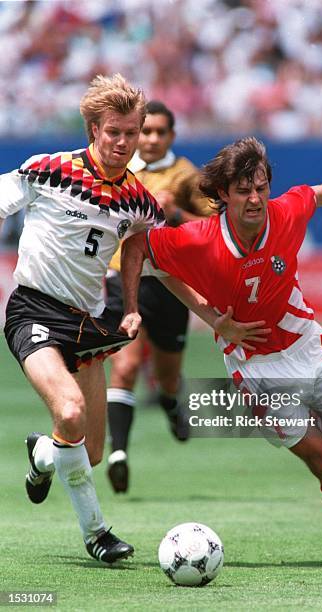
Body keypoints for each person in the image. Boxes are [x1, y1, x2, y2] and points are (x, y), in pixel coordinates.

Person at [120, 137, 322, 565]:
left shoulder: (285, 212)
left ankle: (313, 416)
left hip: (308, 348)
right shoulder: (199, 239)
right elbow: (136, 248)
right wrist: (200, 314)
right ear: (223, 194)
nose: (255, 198)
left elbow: (314, 194)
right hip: (257, 371)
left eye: (261, 187)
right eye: (244, 190)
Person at [0, 74, 167, 564]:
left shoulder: (138, 199)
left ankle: (42, 455)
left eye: (131, 133)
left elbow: (139, 242)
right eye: (112, 131)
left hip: (86, 324)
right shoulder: (47, 169)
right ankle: (97, 534)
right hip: (32, 309)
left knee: (89, 453)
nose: (121, 142)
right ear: (93, 129)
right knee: (69, 412)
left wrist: (133, 306)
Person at [105, 100, 213, 493]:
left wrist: (178, 216)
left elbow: (217, 228)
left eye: (158, 132)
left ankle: (170, 401)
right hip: (121, 277)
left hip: (169, 283)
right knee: (125, 365)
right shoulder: (115, 171)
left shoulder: (186, 177)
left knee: (167, 374)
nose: (149, 139)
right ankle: (118, 453)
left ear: (171, 136)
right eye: (143, 131)